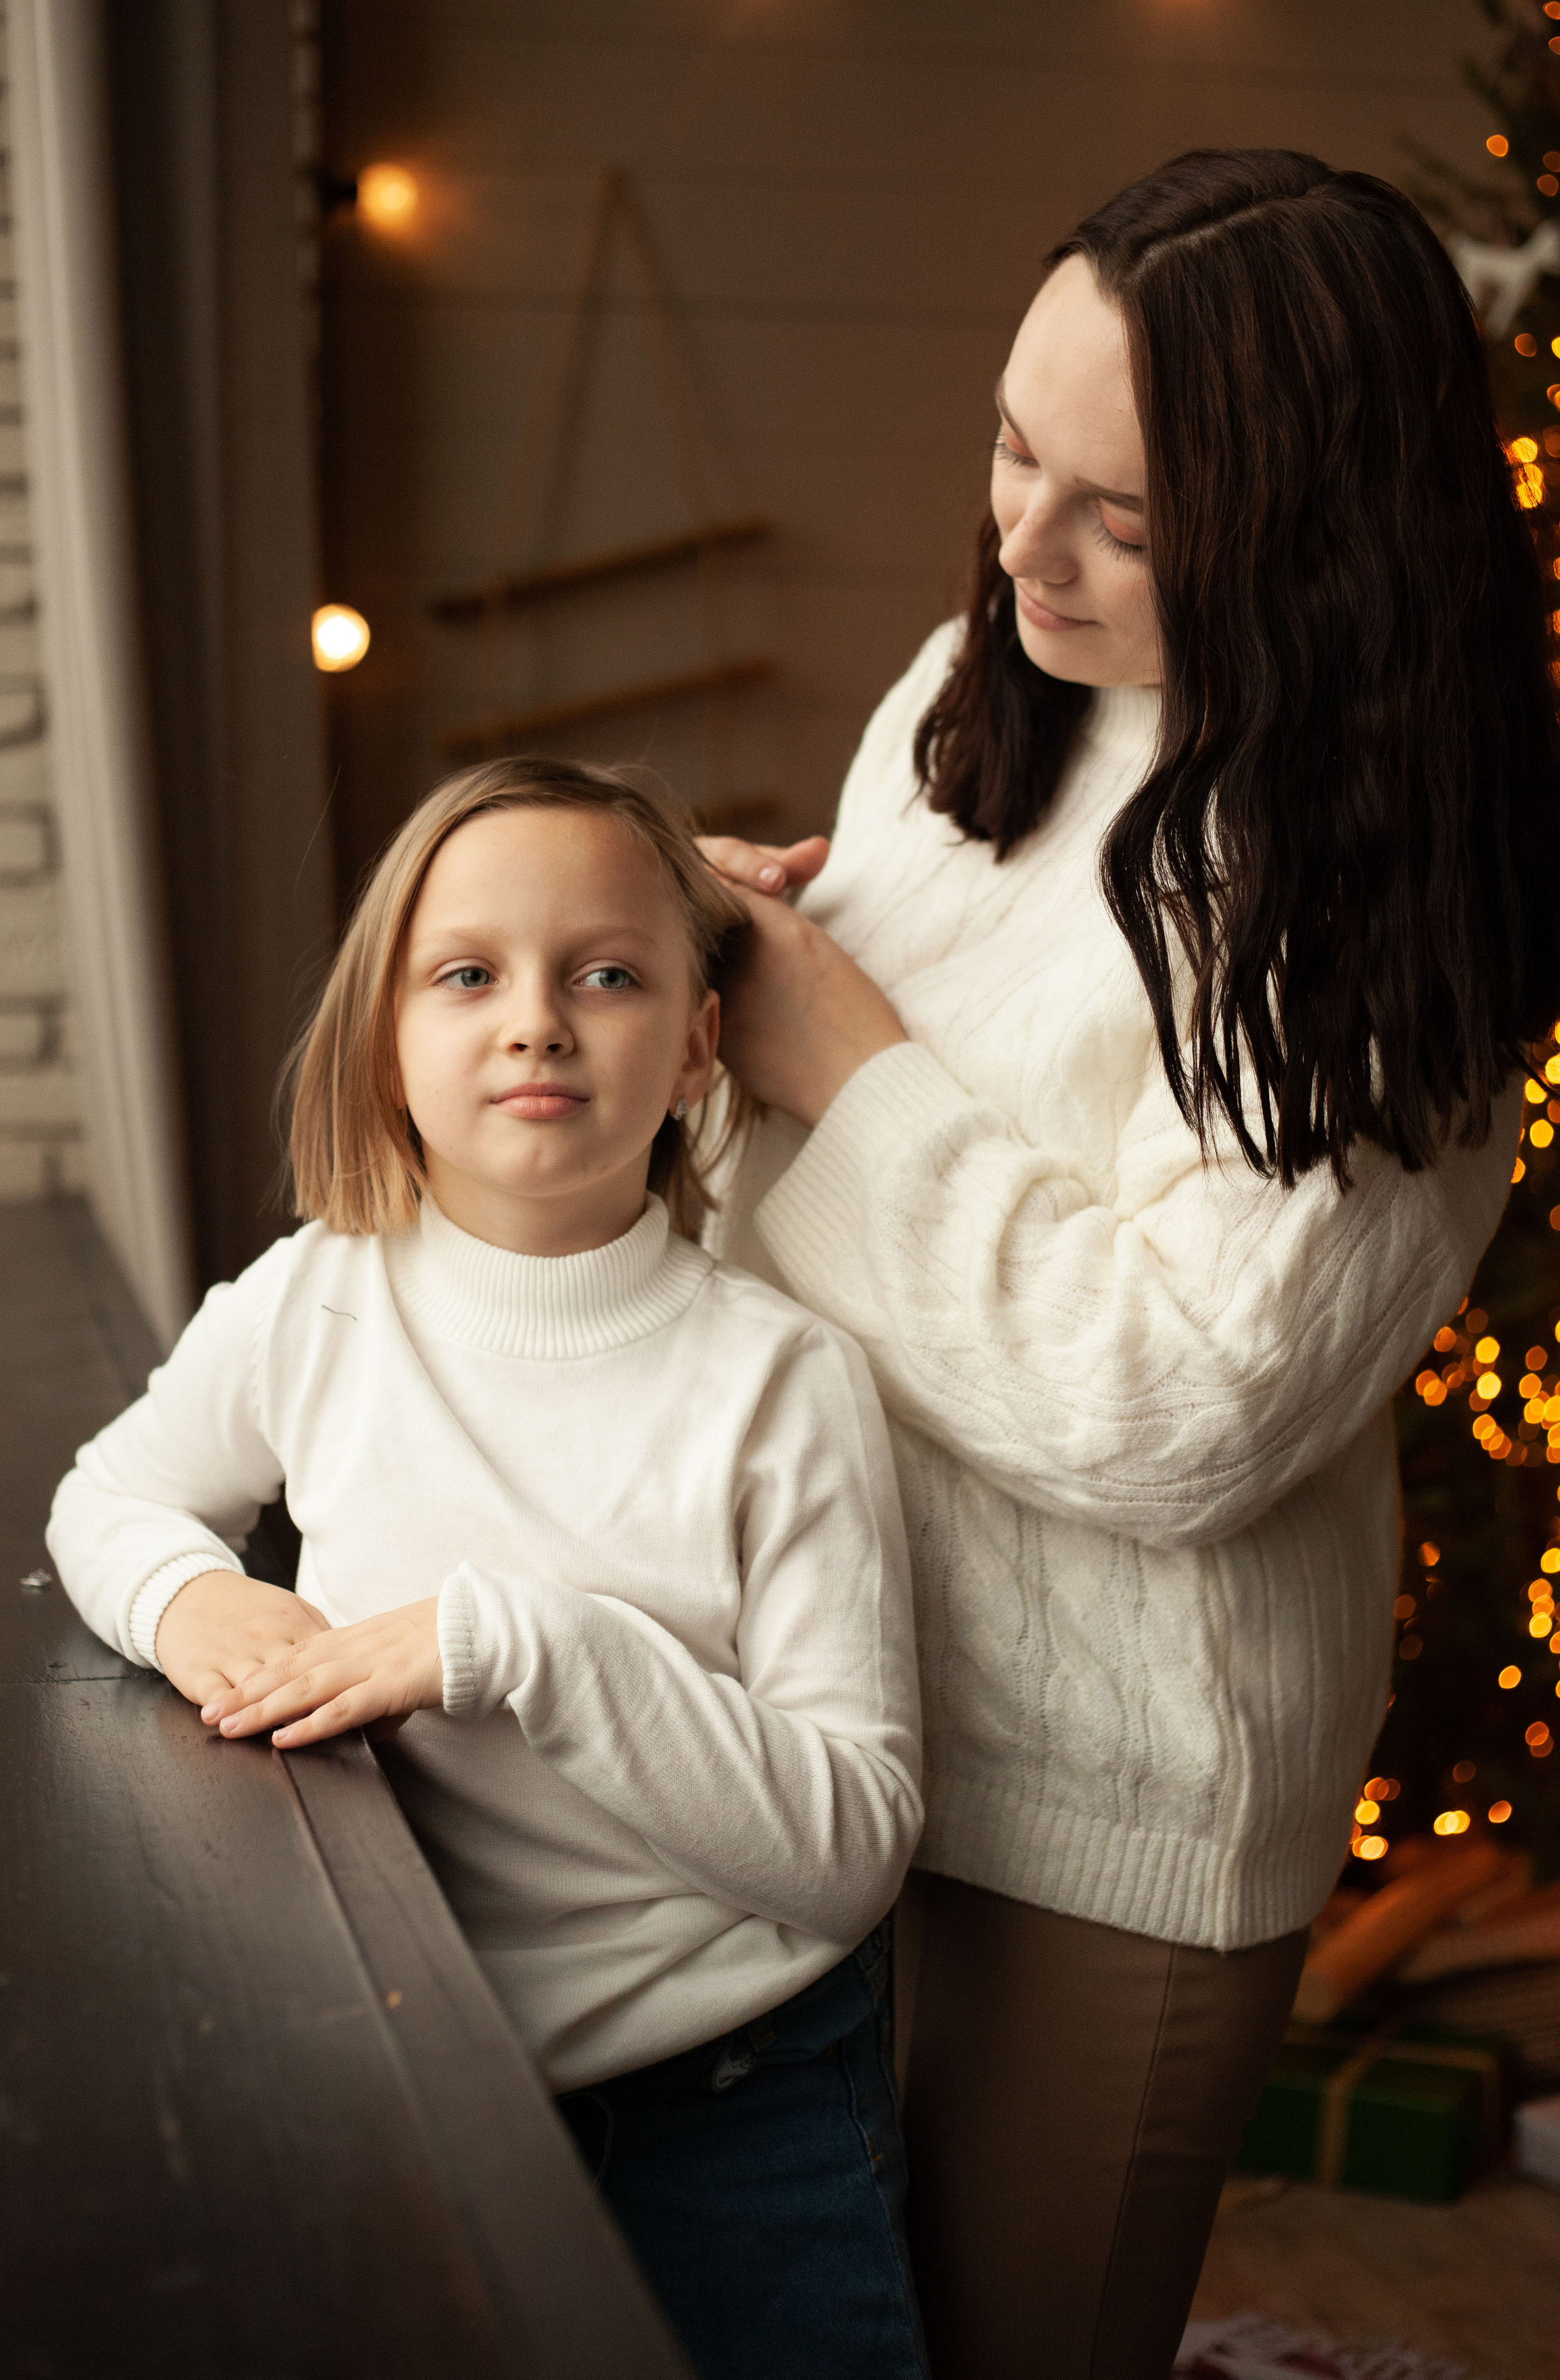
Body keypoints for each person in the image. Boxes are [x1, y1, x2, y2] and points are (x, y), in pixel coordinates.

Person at [699, 147, 1560, 2380]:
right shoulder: (969, 691)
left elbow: (1175, 1408)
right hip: (812, 1705)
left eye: (1130, 519)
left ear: (1319, 544)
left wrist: (836, 1050)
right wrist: (683, 989)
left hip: (1103, 1813)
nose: (1020, 543)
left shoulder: (1385, 906)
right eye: (1011, 443)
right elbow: (799, 1172)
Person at [46, 758, 928, 2380]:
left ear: (696, 1045)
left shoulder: (779, 1382)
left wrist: (519, 1645)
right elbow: (106, 1499)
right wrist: (193, 1599)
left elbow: (850, 1845)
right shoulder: (316, 1302)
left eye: (607, 974)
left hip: (731, 2100)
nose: (538, 1020)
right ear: (391, 1039)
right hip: (398, 2061)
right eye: (468, 975)